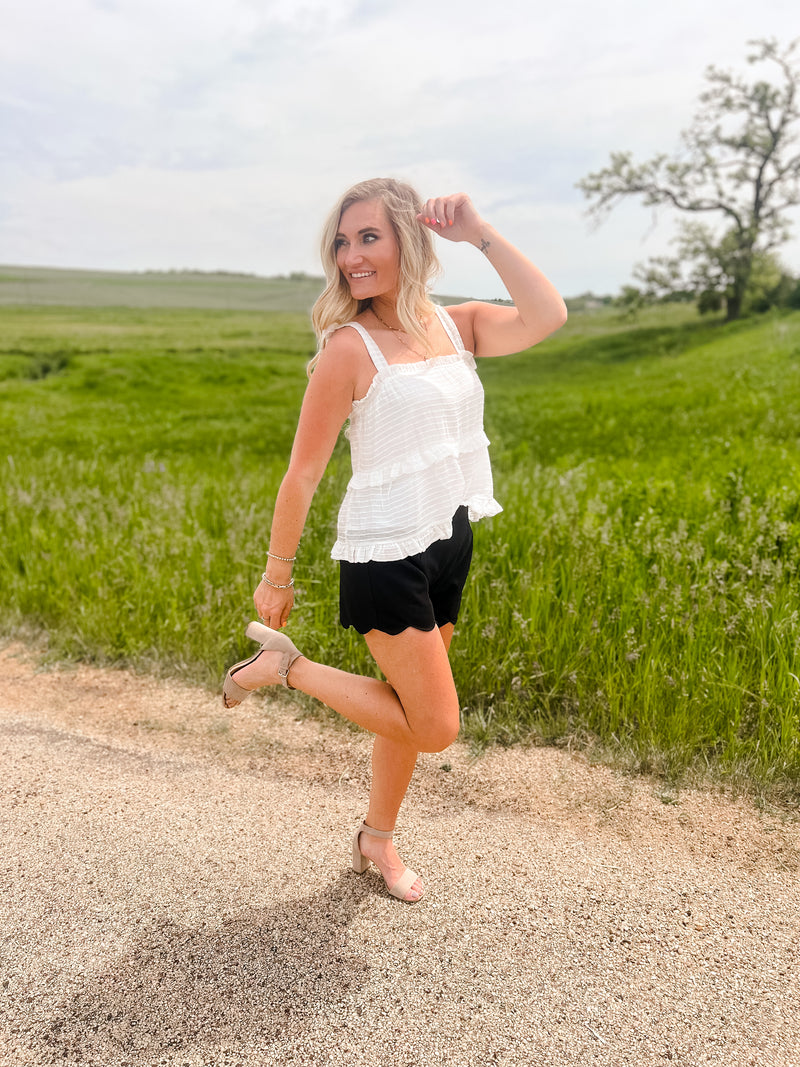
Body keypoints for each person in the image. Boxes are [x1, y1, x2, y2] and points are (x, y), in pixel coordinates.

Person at [223, 178, 567, 902]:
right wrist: (276, 577)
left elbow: (547, 315)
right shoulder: (348, 350)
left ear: (409, 239)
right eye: (343, 243)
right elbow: (302, 475)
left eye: (367, 237)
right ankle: (283, 669)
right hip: (384, 554)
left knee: (406, 709)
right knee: (436, 725)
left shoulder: (457, 324)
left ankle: (376, 839)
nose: (351, 256)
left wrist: (478, 230)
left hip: (448, 537)